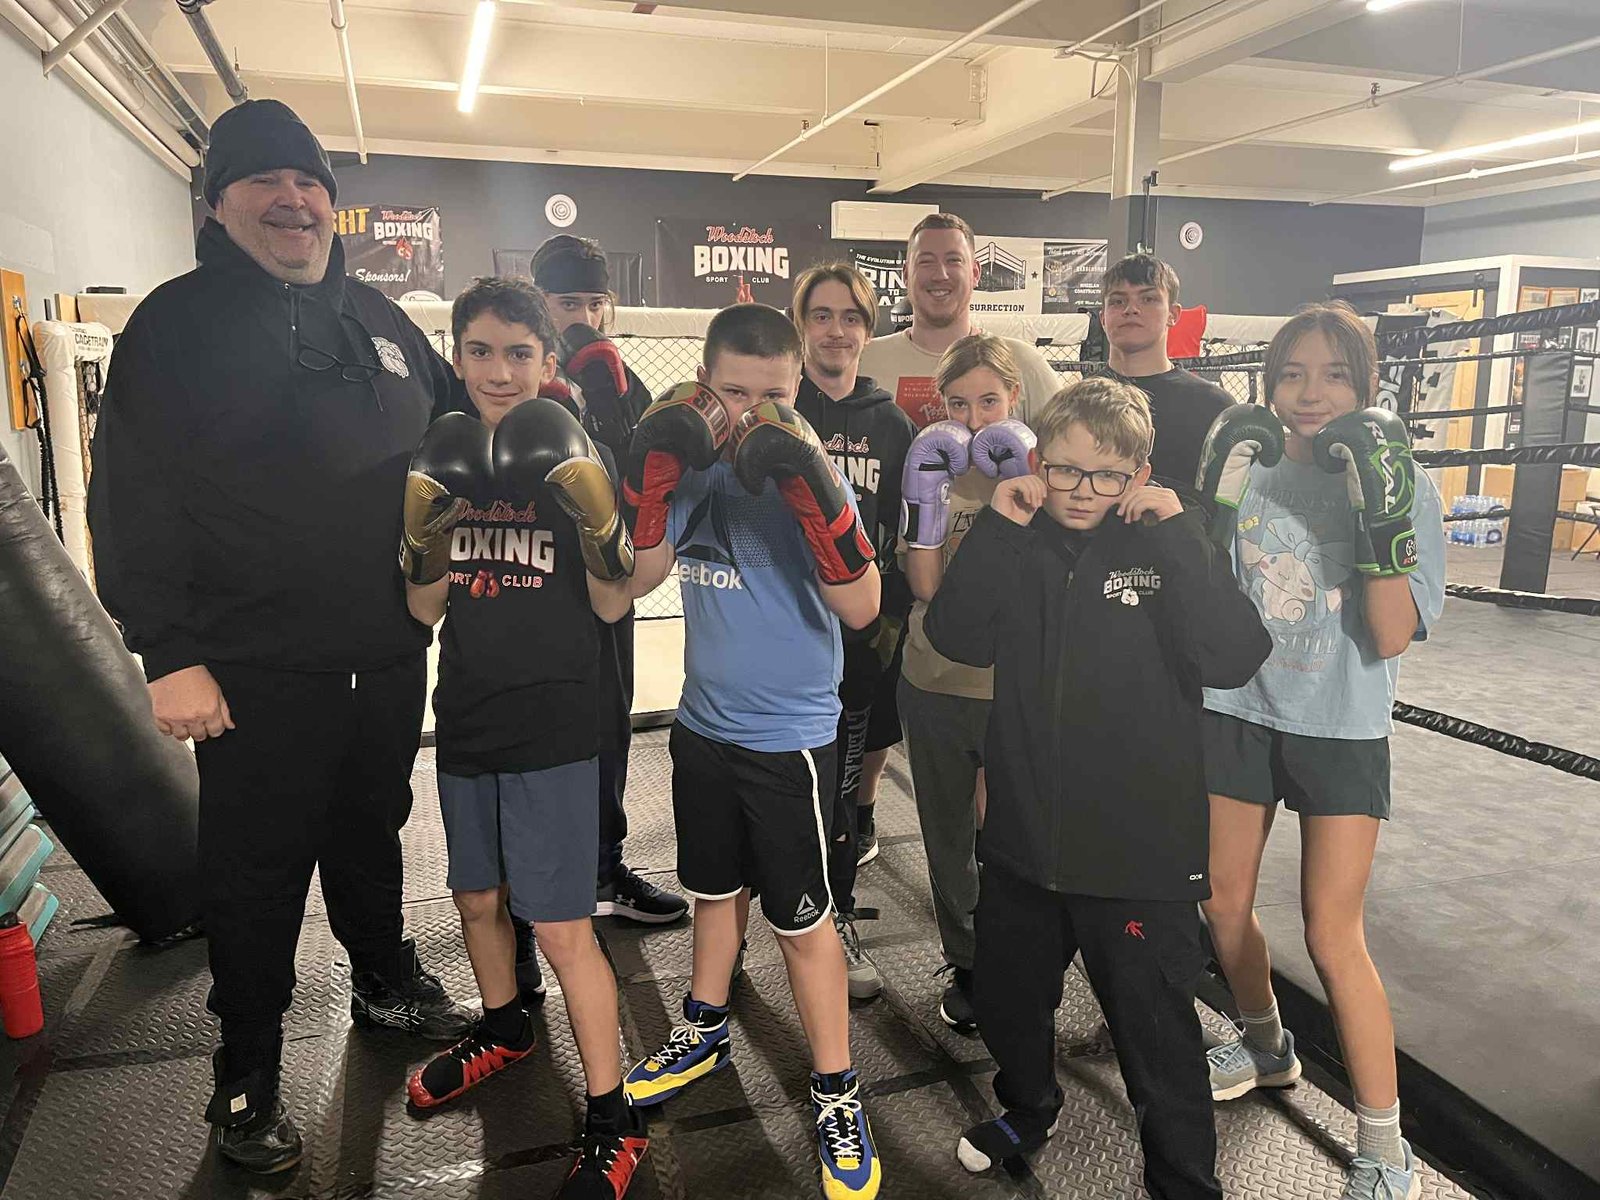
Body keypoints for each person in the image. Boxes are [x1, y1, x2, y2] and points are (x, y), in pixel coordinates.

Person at [86, 98, 471, 1173]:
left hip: (386, 650)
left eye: (309, 185)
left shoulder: (386, 325)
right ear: (218, 204)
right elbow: (132, 493)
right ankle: (247, 1073)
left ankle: (385, 981)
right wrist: (166, 650)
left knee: (372, 827)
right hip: (250, 667)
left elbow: (453, 446)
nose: (293, 201)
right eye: (264, 183)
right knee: (256, 875)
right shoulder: (175, 325)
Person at [924, 377, 1270, 1197]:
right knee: (1009, 1005)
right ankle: (1029, 1109)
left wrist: (1181, 538)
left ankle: (1185, 1185)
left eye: (1107, 475)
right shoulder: (1022, 537)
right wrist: (1001, 531)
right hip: (1023, 842)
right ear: (1040, 461)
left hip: (1138, 854)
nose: (1083, 492)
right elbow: (955, 637)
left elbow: (1234, 656)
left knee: (1159, 1043)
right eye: (1068, 470)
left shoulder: (1165, 545)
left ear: (1141, 472)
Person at [617, 304, 884, 1200]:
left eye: (771, 393)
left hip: (790, 742)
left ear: (797, 389)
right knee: (710, 891)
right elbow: (635, 581)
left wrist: (814, 494)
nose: (747, 411)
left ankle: (837, 1087)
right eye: (731, 392)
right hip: (702, 727)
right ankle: (704, 1019)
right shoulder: (693, 477)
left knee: (802, 924)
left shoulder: (816, 477)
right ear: (703, 386)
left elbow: (863, 609)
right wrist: (652, 478)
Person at [400, 277, 648, 1198]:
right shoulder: (441, 455)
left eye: (518, 353)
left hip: (554, 720)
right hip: (466, 712)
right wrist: (428, 531)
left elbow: (614, 601)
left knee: (560, 926)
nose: (498, 371)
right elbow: (424, 608)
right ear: (457, 356)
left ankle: (613, 1119)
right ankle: (504, 1027)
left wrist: (598, 521)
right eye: (479, 351)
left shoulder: (570, 455)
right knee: (475, 901)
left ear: (548, 362)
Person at [1196, 302, 1445, 1200]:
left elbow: (1389, 638)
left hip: (1341, 721)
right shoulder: (1247, 469)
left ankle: (1385, 1143)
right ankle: (1265, 1043)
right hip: (1239, 708)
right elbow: (1209, 608)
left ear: (1365, 386)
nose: (1310, 393)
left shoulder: (1403, 480)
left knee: (1331, 932)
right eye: (1293, 373)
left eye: (1333, 374)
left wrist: (1376, 515)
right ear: (1269, 384)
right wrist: (1205, 513)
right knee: (1221, 904)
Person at [530, 236, 687, 947]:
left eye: (596, 301)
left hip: (607, 586)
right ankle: (530, 883)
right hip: (528, 592)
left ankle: (602, 867)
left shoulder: (623, 382)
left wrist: (611, 403)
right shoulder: (515, 378)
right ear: (541, 306)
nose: (586, 316)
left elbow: (642, 482)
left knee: (608, 727)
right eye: (569, 303)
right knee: (536, 731)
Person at [895, 333, 1035, 1035]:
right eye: (959, 402)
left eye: (989, 399)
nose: (976, 417)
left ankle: (1021, 960)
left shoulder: (1040, 472)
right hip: (937, 679)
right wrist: (928, 497)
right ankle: (969, 963)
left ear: (1013, 400)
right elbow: (925, 587)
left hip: (1016, 688)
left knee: (1013, 837)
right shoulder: (928, 467)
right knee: (948, 836)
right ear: (938, 407)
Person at [792, 262, 916, 1002]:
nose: (836, 330)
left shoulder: (891, 422)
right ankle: (738, 927)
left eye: (851, 317)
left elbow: (902, 539)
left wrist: (886, 629)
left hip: (857, 635)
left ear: (868, 330)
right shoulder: (778, 406)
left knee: (841, 798)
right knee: (769, 790)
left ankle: (836, 918)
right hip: (781, 632)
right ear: (801, 323)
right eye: (822, 315)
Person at [859, 212, 1062, 430]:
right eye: (926, 262)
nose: (940, 274)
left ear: (975, 273)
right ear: (906, 274)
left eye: (953, 260)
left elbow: (1068, 453)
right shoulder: (864, 362)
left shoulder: (1024, 364)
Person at [1101, 253, 1232, 484]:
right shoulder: (1076, 402)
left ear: (1173, 314)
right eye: (1118, 301)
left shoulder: (1214, 407)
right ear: (1103, 318)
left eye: (1148, 299)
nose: (1131, 309)